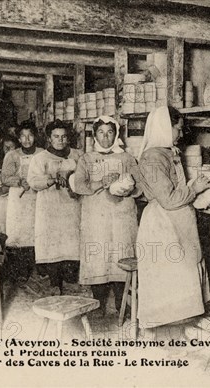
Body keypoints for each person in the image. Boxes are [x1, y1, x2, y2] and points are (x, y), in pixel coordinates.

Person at [134, 106, 210, 328]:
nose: (180, 133)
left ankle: (179, 327)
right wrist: (195, 189)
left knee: (184, 276)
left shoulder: (168, 151)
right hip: (163, 224)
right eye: (177, 129)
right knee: (170, 279)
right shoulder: (152, 158)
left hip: (178, 221)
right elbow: (168, 199)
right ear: (164, 128)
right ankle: (167, 333)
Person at [70, 116, 140, 315]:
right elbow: (80, 186)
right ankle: (98, 305)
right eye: (101, 132)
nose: (106, 137)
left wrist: (128, 190)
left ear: (116, 134)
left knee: (121, 254)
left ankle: (122, 304)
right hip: (96, 216)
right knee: (98, 257)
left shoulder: (127, 158)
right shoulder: (86, 159)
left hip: (122, 215)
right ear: (94, 135)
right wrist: (102, 182)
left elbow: (140, 187)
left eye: (110, 132)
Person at [28, 120, 82, 295]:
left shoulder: (77, 155)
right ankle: (55, 283)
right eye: (56, 137)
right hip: (49, 208)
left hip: (71, 207)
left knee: (71, 245)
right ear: (49, 138)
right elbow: (34, 181)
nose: (60, 140)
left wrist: (73, 178)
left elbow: (85, 177)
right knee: (52, 246)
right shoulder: (40, 158)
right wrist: (50, 180)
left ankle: (70, 281)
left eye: (64, 136)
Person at [0, 122, 43, 283]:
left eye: (30, 135)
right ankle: (18, 272)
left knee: (35, 232)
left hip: (37, 198)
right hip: (18, 199)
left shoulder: (42, 153)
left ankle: (35, 270)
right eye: (23, 136)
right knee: (17, 234)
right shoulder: (12, 155)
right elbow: (5, 177)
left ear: (35, 137)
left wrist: (36, 181)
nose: (27, 140)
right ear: (18, 138)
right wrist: (19, 180)